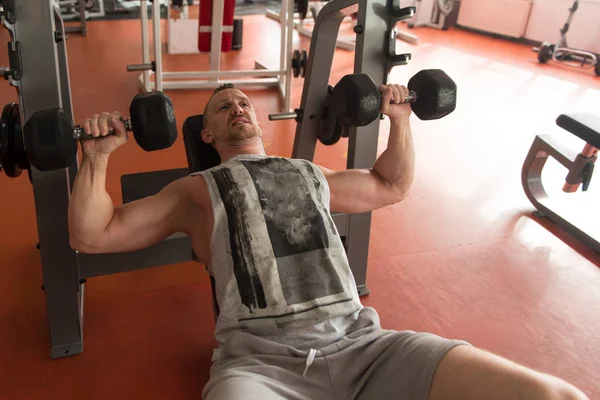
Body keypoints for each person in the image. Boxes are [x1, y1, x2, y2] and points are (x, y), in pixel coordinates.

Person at [68, 83, 589, 400]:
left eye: (243, 102)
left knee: (553, 394)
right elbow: (95, 233)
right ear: (206, 135)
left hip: (365, 346)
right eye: (222, 108)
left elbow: (391, 185)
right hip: (260, 365)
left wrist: (401, 118)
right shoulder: (194, 190)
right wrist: (95, 158)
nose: (238, 108)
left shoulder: (310, 172)